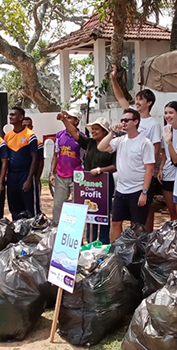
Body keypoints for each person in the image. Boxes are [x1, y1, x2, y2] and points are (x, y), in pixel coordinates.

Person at [110, 64, 161, 230]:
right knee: (121, 218)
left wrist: (149, 171)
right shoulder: (130, 115)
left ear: (149, 102)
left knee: (143, 213)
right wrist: (113, 78)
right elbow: (120, 97)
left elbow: (155, 148)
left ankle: (145, 240)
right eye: (136, 99)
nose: (137, 102)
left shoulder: (153, 124)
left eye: (140, 99)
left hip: (143, 174)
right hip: (126, 179)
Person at [58, 111, 117, 244]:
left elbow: (115, 166)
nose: (94, 132)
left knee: (103, 213)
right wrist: (64, 120)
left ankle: (103, 241)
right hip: (89, 184)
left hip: (105, 184)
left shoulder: (113, 146)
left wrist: (100, 170)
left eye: (97, 129)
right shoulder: (89, 143)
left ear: (105, 132)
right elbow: (74, 133)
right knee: (89, 213)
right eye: (93, 129)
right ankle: (90, 240)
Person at [98, 108, 155, 242]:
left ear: (136, 122)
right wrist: (112, 132)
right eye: (122, 120)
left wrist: (144, 192)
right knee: (116, 222)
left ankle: (136, 253)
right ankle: (114, 252)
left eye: (126, 120)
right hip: (121, 189)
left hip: (137, 189)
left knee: (136, 226)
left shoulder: (145, 143)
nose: (123, 123)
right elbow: (101, 147)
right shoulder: (120, 140)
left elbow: (149, 169)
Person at [4, 107, 39, 220]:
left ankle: (30, 234)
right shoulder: (7, 136)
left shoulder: (30, 135)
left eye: (13, 115)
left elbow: (35, 159)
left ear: (21, 117)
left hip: (25, 174)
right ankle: (17, 231)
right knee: (14, 206)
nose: (10, 117)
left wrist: (29, 179)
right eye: (10, 115)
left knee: (29, 208)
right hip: (12, 176)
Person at [49, 108, 84, 222]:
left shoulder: (82, 137)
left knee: (76, 207)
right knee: (58, 205)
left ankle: (75, 234)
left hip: (77, 176)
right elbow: (55, 155)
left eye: (70, 118)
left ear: (77, 121)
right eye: (66, 117)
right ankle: (55, 231)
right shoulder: (59, 135)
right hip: (61, 175)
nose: (67, 120)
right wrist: (51, 173)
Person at [158, 102, 177, 221]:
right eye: (165, 113)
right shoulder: (166, 129)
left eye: (171, 112)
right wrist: (160, 168)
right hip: (168, 173)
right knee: (172, 212)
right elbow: (165, 152)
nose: (168, 116)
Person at [23, 116, 44, 213]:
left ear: (32, 127)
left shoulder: (37, 142)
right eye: (24, 125)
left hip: (33, 178)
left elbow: (40, 161)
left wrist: (36, 178)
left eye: (29, 125)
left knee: (34, 204)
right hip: (20, 177)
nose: (27, 127)